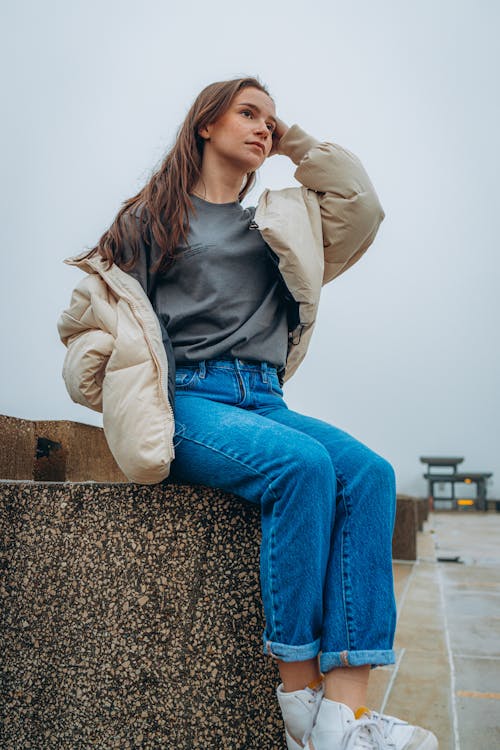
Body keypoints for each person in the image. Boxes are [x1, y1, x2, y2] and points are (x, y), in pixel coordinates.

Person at [58, 77, 438, 750]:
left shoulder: (282, 221)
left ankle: (343, 722)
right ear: (206, 124)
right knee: (301, 468)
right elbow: (88, 318)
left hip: (264, 396)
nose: (263, 126)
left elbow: (364, 206)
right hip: (192, 398)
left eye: (271, 118)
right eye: (248, 113)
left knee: (371, 474)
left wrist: (294, 144)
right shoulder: (150, 219)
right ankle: (298, 698)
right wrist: (117, 389)